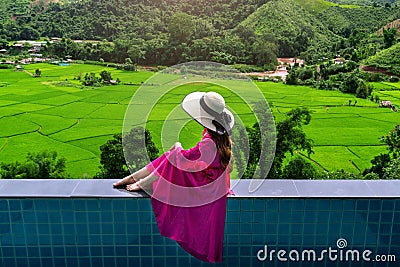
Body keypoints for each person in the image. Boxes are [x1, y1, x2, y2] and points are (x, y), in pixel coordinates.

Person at [113, 91, 235, 263]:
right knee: (172, 154)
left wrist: (177, 148)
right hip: (207, 179)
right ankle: (138, 179)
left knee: (173, 154)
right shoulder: (221, 138)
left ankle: (138, 180)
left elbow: (187, 156)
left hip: (203, 184)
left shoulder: (208, 142)